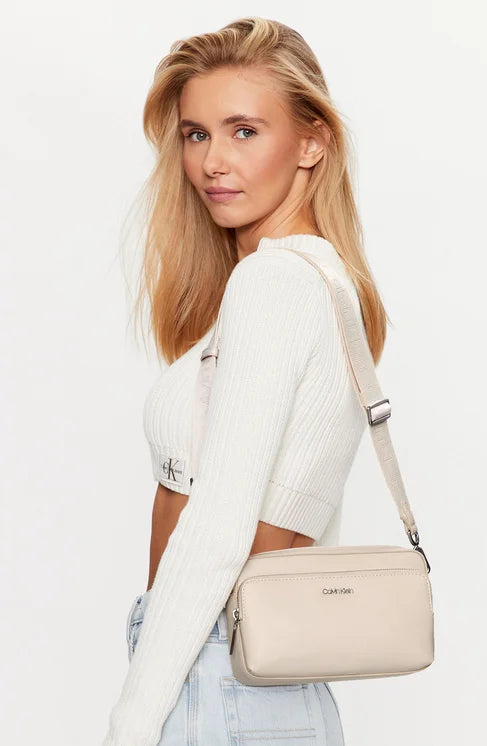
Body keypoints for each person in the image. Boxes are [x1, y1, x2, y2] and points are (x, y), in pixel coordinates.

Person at [103, 15, 390, 746]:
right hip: (268, 683)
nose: (212, 162)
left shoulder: (272, 283)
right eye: (196, 134)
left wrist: (132, 722)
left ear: (312, 142)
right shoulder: (328, 282)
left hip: (212, 674)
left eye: (244, 131)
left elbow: (220, 526)